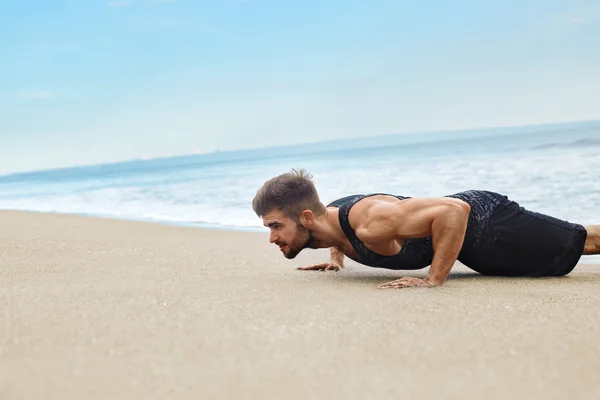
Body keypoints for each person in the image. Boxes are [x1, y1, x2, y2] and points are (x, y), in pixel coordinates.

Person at [251, 169, 600, 289]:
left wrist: (434, 280)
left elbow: (454, 210)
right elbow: (334, 227)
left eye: (276, 226)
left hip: (486, 223)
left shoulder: (370, 221)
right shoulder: (325, 222)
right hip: (470, 249)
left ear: (307, 218)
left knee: (585, 242)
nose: (272, 237)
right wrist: (336, 260)